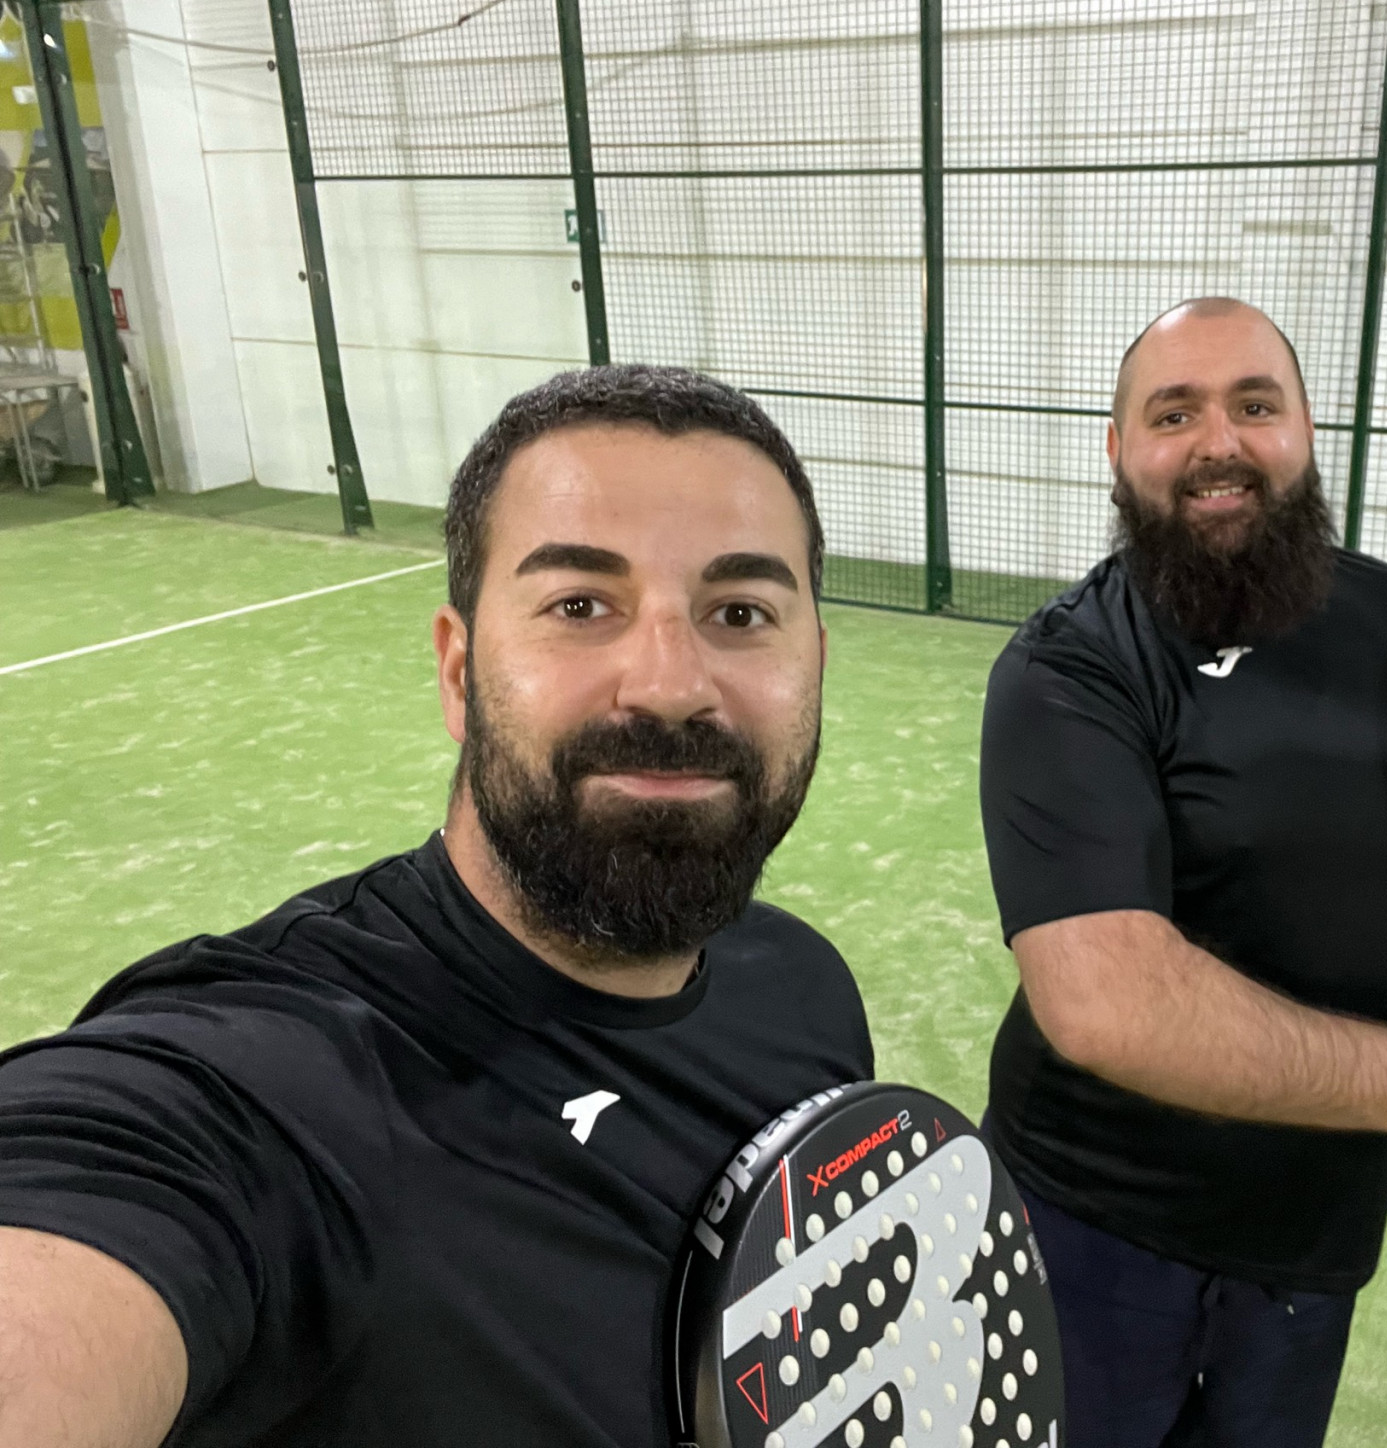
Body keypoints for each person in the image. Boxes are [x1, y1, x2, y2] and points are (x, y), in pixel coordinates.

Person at [0, 366, 871, 1447]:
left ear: (814, 665)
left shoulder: (804, 990)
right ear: (460, 674)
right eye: (579, 606)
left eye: (740, 613)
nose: (668, 684)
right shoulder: (268, 1085)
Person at [977, 298, 1387, 1447]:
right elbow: (1103, 999)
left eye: (1253, 405)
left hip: (1316, 1239)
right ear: (1117, 449)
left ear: (1307, 429)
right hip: (1090, 1231)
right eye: (1173, 414)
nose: (1218, 442)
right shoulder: (1066, 669)